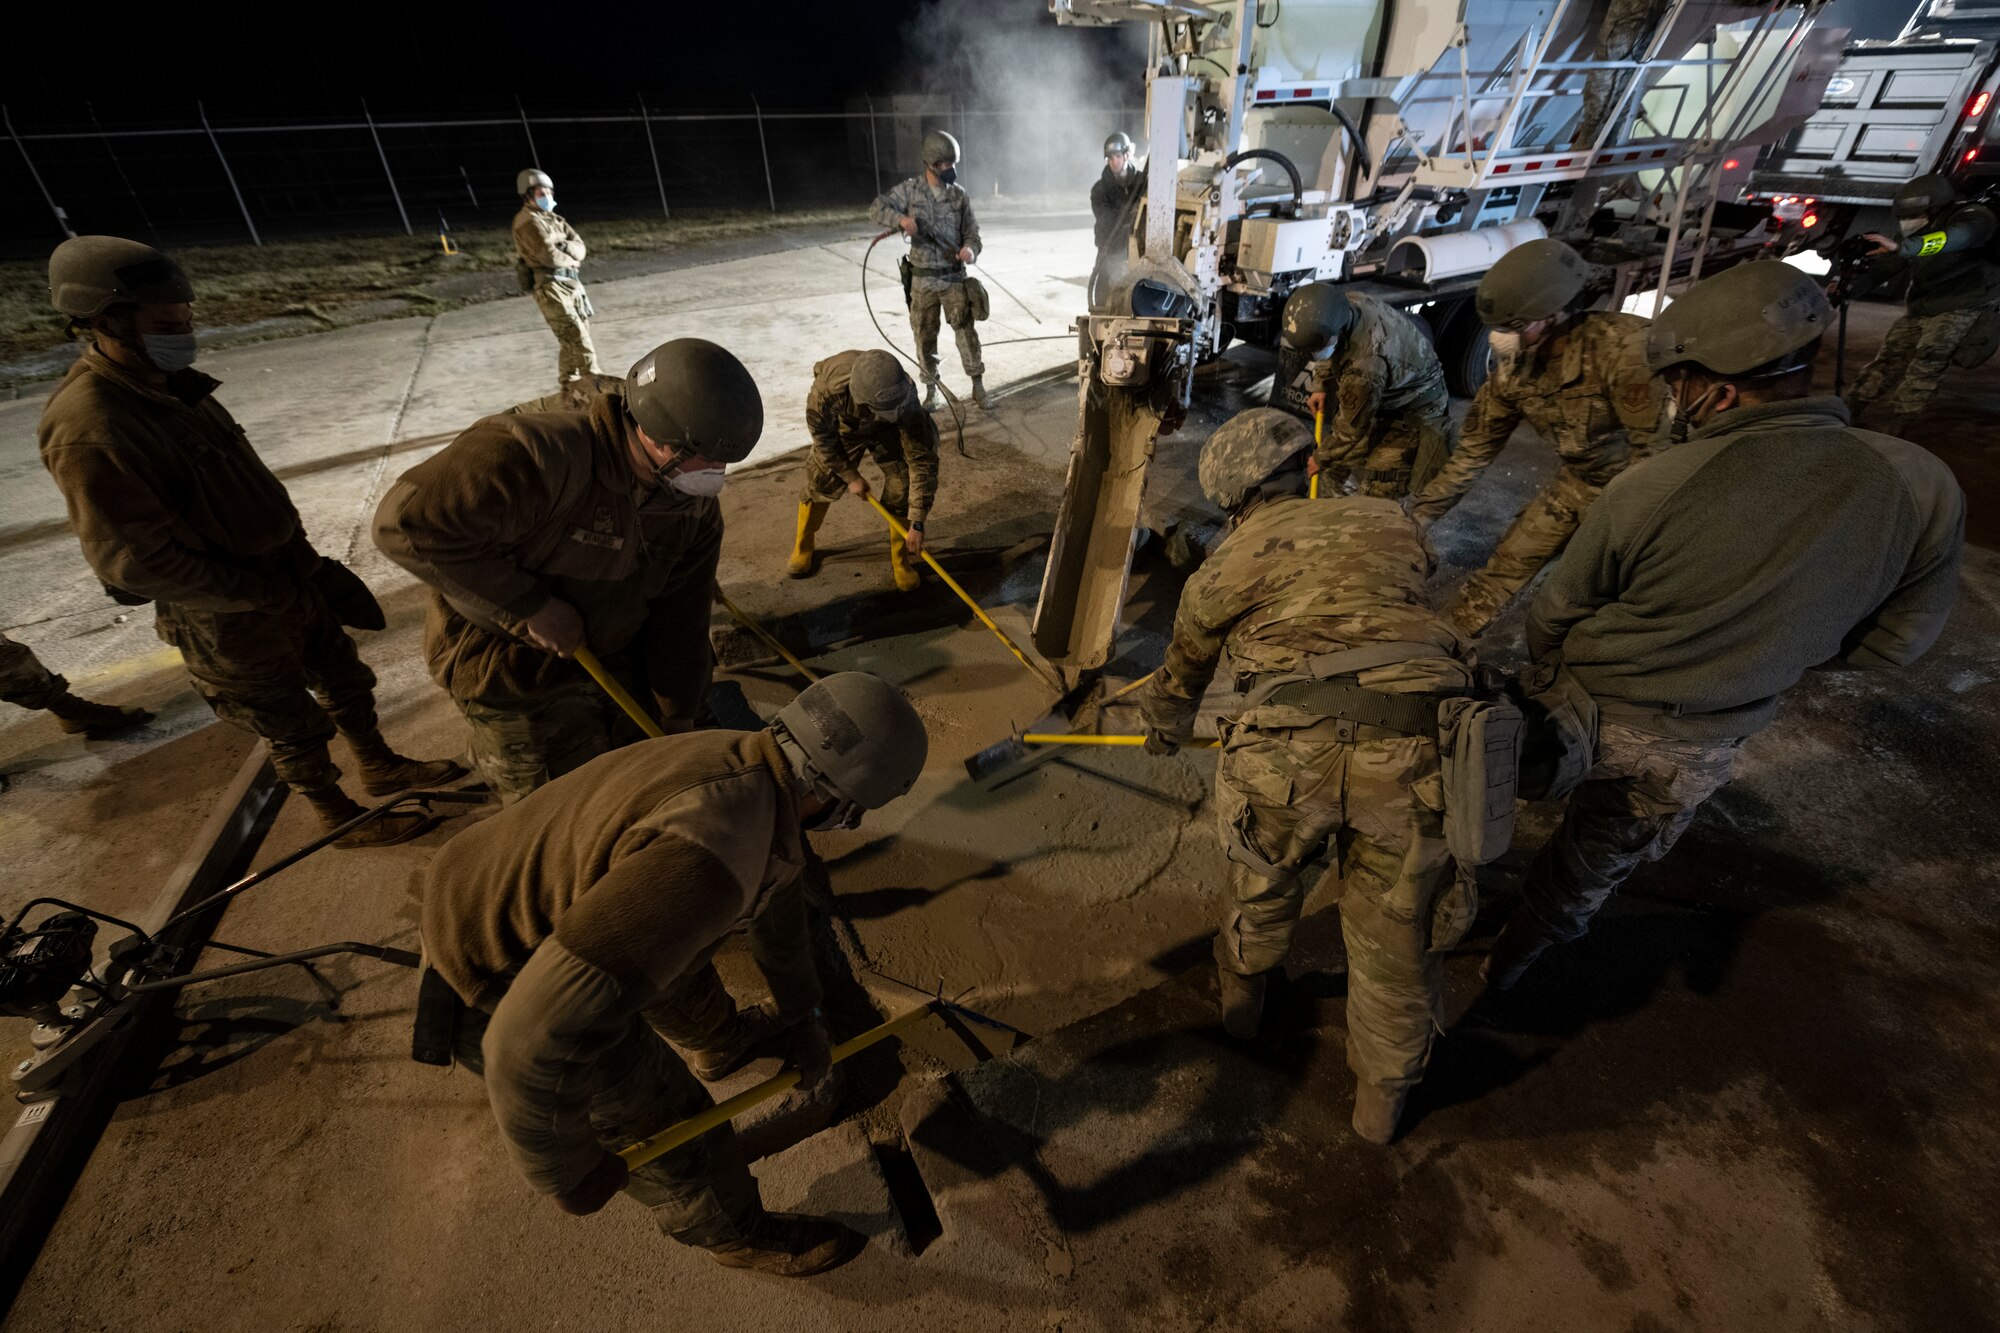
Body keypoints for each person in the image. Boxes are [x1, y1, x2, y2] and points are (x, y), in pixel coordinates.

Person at [1484, 261, 1965, 989]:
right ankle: (1512, 962)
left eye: (1676, 384)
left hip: (1581, 707)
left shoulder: (1650, 485)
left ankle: (1441, 919)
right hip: (1702, 739)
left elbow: (1555, 614)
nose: (1672, 401)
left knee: (1469, 794)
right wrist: (1772, 648)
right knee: (1595, 861)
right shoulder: (1920, 483)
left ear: (1717, 388)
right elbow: (1900, 641)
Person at [420, 671, 928, 1275]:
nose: (851, 824)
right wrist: (565, 1173)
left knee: (678, 960)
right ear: (835, 796)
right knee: (667, 1120)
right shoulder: (711, 856)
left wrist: (803, 1013)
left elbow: (780, 903)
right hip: (497, 969)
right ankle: (737, 1233)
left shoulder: (749, 763)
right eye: (855, 814)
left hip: (505, 884)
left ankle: (720, 1044)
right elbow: (526, 1043)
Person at [37, 236, 461, 846]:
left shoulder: (167, 383)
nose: (182, 332)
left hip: (284, 574)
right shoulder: (91, 425)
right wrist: (255, 592)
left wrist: (304, 568)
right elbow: (133, 563)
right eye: (164, 323)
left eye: (186, 319)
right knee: (288, 719)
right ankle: (336, 816)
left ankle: (378, 766)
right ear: (104, 321)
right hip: (225, 609)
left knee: (344, 680)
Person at [1138, 407, 1479, 1144]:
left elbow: (1182, 675)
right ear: (1311, 468)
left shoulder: (1222, 567)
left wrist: (1163, 732)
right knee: (1399, 928)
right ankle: (1381, 1105)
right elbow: (1416, 579)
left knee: (1262, 882)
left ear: (1231, 504)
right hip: (1417, 747)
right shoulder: (1393, 521)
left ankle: (1243, 1006)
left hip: (1286, 750)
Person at [1405, 238, 1663, 638]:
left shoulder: (1625, 352)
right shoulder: (1516, 373)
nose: (1505, 338)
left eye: (1517, 326)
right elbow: (1472, 453)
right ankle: (1438, 650)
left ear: (1552, 313)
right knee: (1503, 568)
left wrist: (1619, 533)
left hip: (1640, 499)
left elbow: (1658, 459)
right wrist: (1420, 516)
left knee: (1609, 600)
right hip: (1577, 483)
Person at [1843, 172, 2000, 435]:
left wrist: (1902, 247)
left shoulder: (1974, 219)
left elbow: (1953, 239)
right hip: (1922, 305)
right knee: (1889, 357)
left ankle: (1900, 424)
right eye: (1903, 217)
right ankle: (1851, 407)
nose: (1907, 222)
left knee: (1926, 363)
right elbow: (1888, 266)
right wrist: (1849, 288)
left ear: (1936, 207)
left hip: (1961, 304)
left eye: (1913, 214)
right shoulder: (1921, 229)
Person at [786, 349, 938, 593]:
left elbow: (922, 462)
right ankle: (804, 545)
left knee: (903, 484)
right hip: (848, 425)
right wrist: (850, 475)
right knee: (822, 479)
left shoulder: (905, 401)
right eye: (883, 409)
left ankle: (900, 559)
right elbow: (823, 437)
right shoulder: (830, 388)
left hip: (890, 431)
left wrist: (917, 522)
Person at [1282, 283, 1453, 500]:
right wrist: (1320, 386)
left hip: (1414, 407)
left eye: (1316, 349)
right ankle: (1328, 513)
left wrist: (1319, 458)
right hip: (1382, 389)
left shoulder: (1364, 365)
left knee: (1381, 483)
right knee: (1336, 467)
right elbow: (1331, 346)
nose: (1314, 355)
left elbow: (1350, 432)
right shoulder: (1344, 305)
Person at [871, 130, 989, 410]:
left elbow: (973, 234)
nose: (952, 169)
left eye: (953, 163)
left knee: (966, 334)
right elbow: (877, 208)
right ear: (932, 164)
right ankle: (931, 390)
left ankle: (978, 386)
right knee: (924, 338)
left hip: (953, 278)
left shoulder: (959, 197)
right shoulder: (911, 191)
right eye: (947, 164)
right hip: (922, 281)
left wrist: (970, 250)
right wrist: (901, 219)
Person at [512, 168, 601, 398]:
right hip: (551, 287)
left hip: (572, 285)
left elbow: (581, 247)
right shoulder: (527, 222)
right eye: (541, 193)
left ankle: (568, 386)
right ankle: (599, 391)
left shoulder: (554, 219)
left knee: (571, 338)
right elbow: (548, 256)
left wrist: (565, 247)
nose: (547, 197)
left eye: (548, 192)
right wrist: (568, 253)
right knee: (579, 339)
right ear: (528, 195)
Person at [1090, 131, 1144, 257]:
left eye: (1118, 156)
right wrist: (1131, 213)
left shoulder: (1142, 182)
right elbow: (1106, 219)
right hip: (1110, 248)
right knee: (1106, 276)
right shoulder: (1099, 190)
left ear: (1127, 155)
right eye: (1110, 158)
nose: (1114, 162)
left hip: (1137, 247)